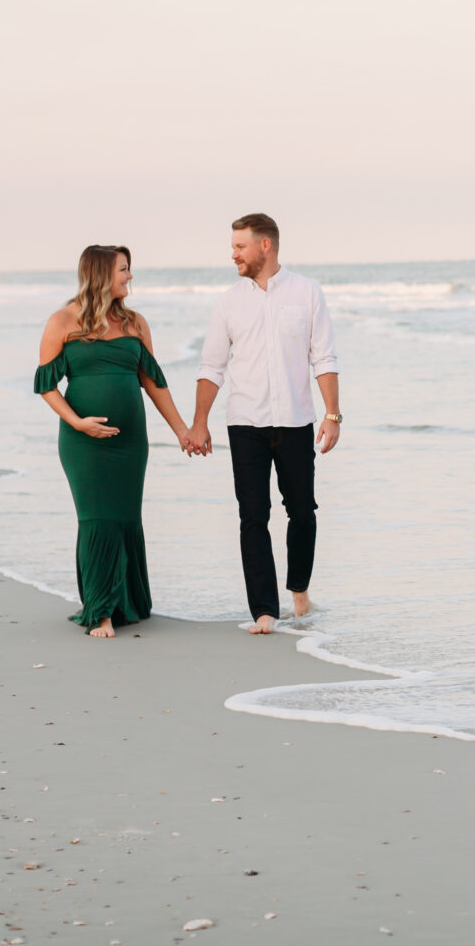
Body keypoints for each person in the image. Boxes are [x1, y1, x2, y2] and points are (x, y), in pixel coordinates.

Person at [185, 213, 342, 634]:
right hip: (245, 423)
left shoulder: (307, 293)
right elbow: (212, 366)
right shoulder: (228, 303)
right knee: (252, 516)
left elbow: (323, 358)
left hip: (295, 422)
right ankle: (264, 611)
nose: (232, 253)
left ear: (265, 246)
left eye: (240, 246)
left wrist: (332, 414)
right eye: (233, 246)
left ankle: (300, 594)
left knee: (303, 511)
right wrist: (199, 422)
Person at [34, 244, 196, 638]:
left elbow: (153, 383)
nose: (129, 276)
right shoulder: (63, 320)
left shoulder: (136, 323)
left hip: (130, 443)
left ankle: (128, 601)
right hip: (83, 443)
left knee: (125, 518)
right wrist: (78, 423)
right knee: (97, 519)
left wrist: (182, 430)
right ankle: (101, 611)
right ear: (101, 273)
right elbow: (45, 385)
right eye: (124, 269)